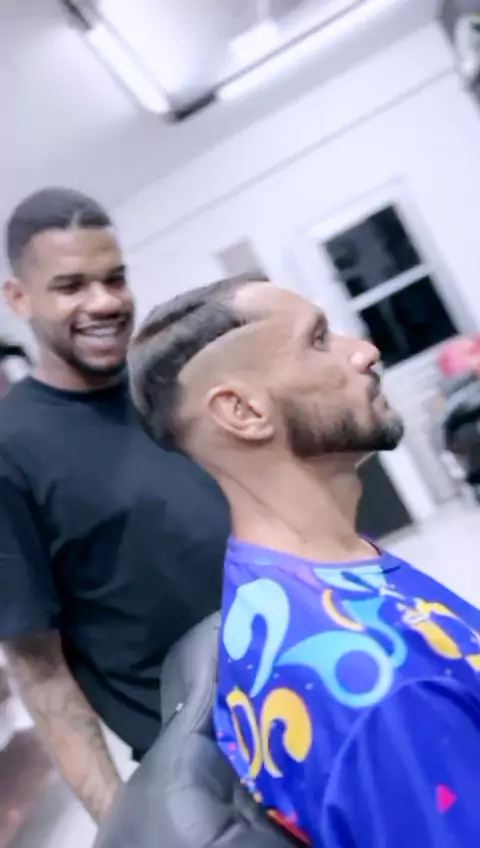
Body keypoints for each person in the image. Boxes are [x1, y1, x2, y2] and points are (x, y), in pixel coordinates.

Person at [129, 277, 480, 847]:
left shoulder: (267, 581)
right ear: (243, 411)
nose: (365, 352)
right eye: (318, 340)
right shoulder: (386, 692)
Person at [0, 188, 230, 823]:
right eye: (71, 286)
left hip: (322, 701)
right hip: (209, 776)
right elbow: (38, 668)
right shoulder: (11, 451)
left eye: (115, 278)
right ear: (19, 298)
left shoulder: (174, 388)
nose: (104, 302)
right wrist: (125, 828)